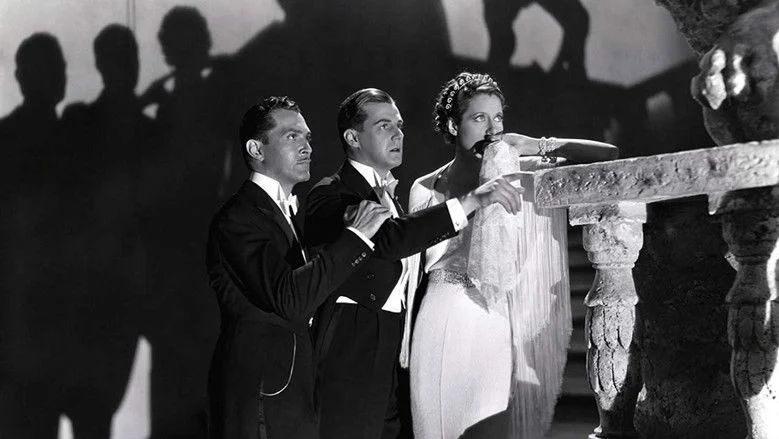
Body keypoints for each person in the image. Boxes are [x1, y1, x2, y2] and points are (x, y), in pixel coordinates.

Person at [303, 88, 524, 439]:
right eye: (384, 126)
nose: (398, 135)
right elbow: (391, 239)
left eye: (400, 126)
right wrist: (473, 200)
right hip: (352, 351)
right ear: (352, 137)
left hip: (399, 352)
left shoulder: (392, 196)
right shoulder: (329, 195)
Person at [408, 72, 618, 439]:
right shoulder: (424, 187)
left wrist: (535, 144)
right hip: (436, 319)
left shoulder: (519, 173)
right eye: (479, 118)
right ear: (454, 125)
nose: (493, 130)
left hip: (490, 321)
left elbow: (608, 155)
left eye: (498, 117)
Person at [206, 96, 393, 439]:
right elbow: (290, 299)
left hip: (295, 396)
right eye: (291, 136)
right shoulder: (238, 219)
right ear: (256, 149)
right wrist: (356, 237)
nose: (307, 147)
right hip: (262, 398)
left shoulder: (287, 214)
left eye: (307, 137)